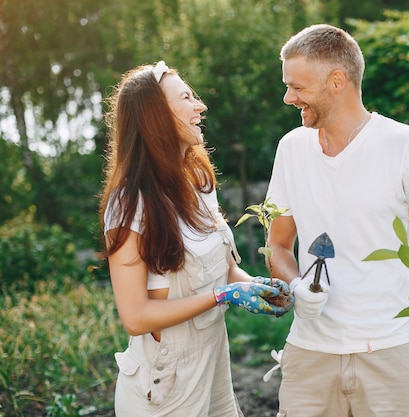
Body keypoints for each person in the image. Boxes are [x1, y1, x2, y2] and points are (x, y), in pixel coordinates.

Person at [264, 24, 409, 417]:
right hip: (310, 358)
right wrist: (296, 285)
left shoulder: (402, 143)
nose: (288, 97)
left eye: (298, 87)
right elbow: (277, 245)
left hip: (394, 352)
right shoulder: (290, 149)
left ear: (337, 81)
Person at [98, 61, 292, 417]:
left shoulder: (199, 182)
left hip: (215, 366)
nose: (200, 106)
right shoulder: (129, 205)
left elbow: (225, 269)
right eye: (186, 97)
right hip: (165, 383)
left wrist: (258, 287)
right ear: (155, 117)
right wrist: (222, 296)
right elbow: (136, 316)